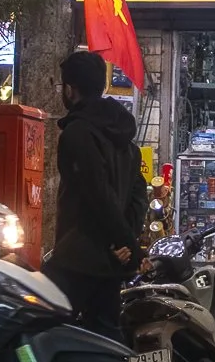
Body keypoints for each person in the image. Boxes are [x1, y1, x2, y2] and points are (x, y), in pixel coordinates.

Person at [45, 48, 148, 337]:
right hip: (111, 264)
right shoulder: (126, 142)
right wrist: (126, 245)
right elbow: (137, 197)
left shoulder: (77, 134)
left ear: (70, 89)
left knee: (37, 326)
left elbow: (97, 195)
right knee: (103, 345)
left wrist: (126, 242)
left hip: (78, 258)